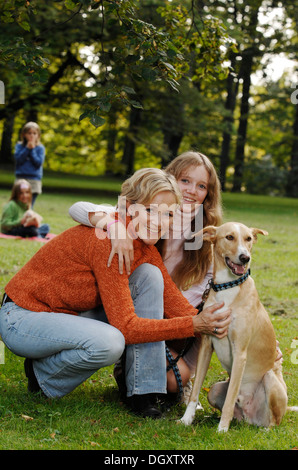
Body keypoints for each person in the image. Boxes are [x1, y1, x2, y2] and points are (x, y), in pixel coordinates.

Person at [0, 168, 231, 419]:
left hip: (64, 315)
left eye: (168, 214)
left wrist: (226, 324)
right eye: (151, 210)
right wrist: (194, 324)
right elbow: (127, 326)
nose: (158, 221)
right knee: (111, 342)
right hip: (21, 317)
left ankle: (142, 392)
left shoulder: (144, 246)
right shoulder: (110, 239)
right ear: (129, 207)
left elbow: (176, 304)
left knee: (150, 276)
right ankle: (42, 375)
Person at [68, 151, 223, 398]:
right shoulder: (145, 213)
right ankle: (128, 365)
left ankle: (179, 379)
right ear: (170, 180)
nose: (192, 191)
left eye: (201, 185)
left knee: (177, 379)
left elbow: (221, 296)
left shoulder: (207, 239)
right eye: (185, 181)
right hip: (130, 312)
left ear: (208, 194)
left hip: (174, 323)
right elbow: (78, 208)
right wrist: (114, 226)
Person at [14, 121, 45, 207]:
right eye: (29, 133)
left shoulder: (40, 148)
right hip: (21, 178)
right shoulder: (19, 146)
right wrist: (27, 148)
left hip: (34, 180)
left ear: (38, 135)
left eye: (34, 133)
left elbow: (38, 163)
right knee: (18, 204)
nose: (32, 135)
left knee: (29, 205)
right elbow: (19, 160)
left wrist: (33, 150)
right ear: (24, 134)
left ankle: (28, 219)